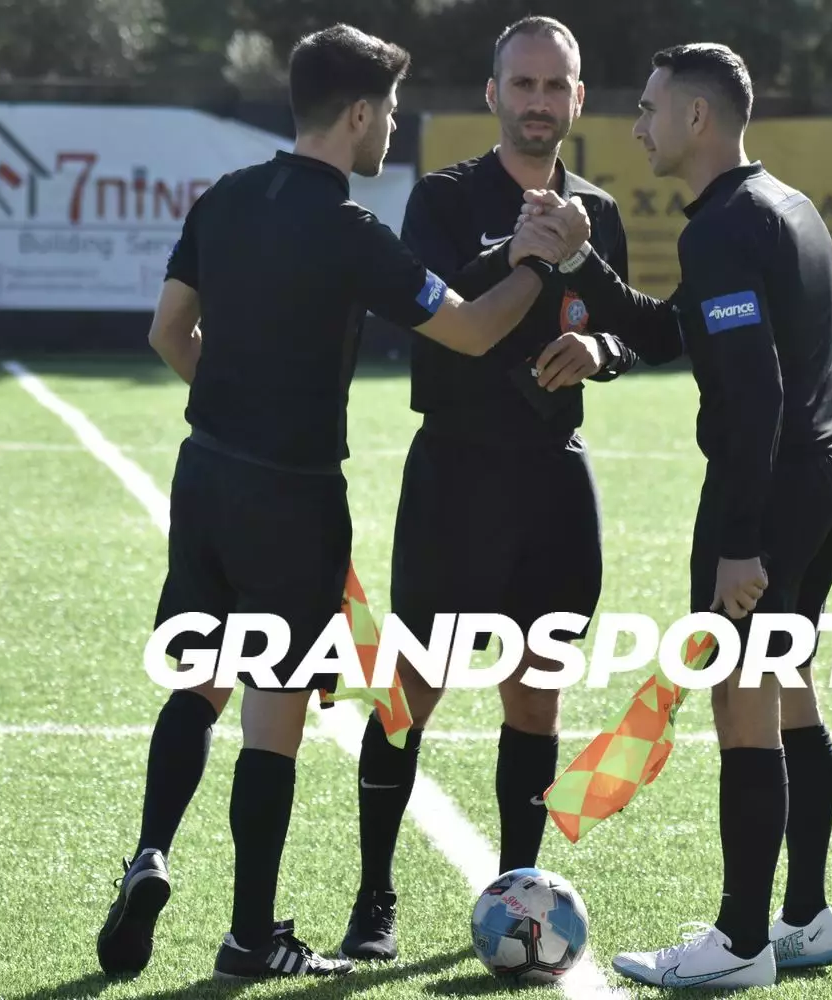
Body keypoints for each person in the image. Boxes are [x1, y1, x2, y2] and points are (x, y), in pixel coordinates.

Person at [94, 23, 590, 983]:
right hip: (297, 496)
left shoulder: (224, 197)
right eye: (390, 111)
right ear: (359, 113)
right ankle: (252, 936)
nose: (394, 128)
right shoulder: (352, 230)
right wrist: (535, 260)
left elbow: (167, 332)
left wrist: (226, 408)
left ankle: (150, 851)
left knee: (198, 683)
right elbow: (473, 332)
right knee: (273, 713)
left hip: (206, 474)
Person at [522, 42, 832, 989]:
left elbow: (754, 395)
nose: (637, 125)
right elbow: (673, 331)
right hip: (828, 477)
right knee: (788, 686)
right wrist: (583, 265)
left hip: (770, 492)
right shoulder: (782, 205)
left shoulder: (724, 227)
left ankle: (741, 942)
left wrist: (740, 544)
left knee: (741, 699)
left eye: (649, 108)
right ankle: (806, 917)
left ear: (697, 117)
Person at [337, 16, 633, 963]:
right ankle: (373, 898)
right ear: (494, 94)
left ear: (578, 99)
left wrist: (601, 350)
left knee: (536, 695)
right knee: (408, 695)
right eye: (524, 84)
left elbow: (628, 324)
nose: (539, 102)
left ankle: (519, 894)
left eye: (556, 86)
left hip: (552, 476)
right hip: (456, 474)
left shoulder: (598, 211)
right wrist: (521, 249)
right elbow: (424, 306)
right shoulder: (444, 196)